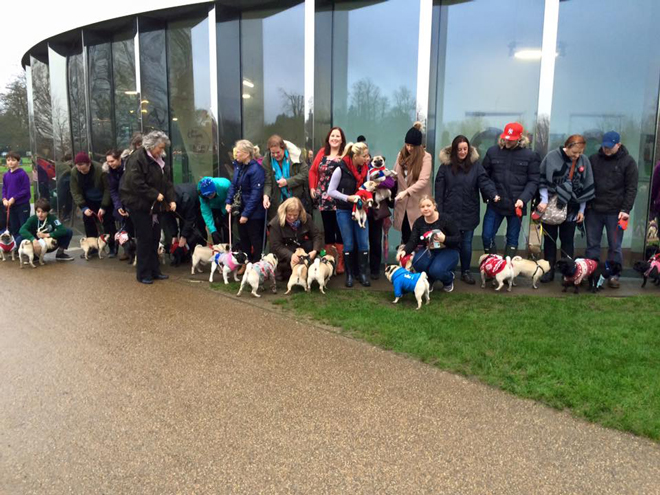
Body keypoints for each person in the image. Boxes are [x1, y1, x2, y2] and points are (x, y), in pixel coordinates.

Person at [435, 135, 499, 285]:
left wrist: (493, 194)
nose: (463, 152)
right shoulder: (445, 166)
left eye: (465, 149)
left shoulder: (476, 165)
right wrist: (439, 213)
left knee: (466, 243)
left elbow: (484, 181)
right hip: (449, 212)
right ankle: (448, 271)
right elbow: (439, 191)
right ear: (454, 150)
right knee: (450, 243)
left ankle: (466, 271)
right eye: (459, 149)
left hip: (469, 210)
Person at [119, 130, 176, 284]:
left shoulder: (160, 160)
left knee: (155, 238)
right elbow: (135, 183)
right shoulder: (136, 158)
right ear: (151, 146)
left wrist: (171, 199)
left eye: (163, 148)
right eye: (160, 148)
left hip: (155, 206)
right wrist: (154, 194)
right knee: (144, 239)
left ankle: (155, 270)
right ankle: (143, 273)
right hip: (139, 205)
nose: (162, 151)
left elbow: (167, 182)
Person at [537, 135, 595, 282]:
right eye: (574, 152)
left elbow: (585, 187)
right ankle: (549, 271)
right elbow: (543, 180)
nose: (577, 156)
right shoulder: (552, 157)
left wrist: (582, 210)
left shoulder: (584, 161)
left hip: (572, 209)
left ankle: (568, 272)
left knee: (567, 240)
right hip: (551, 207)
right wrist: (543, 201)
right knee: (550, 240)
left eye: (580, 152)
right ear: (567, 146)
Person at [585, 131, 638, 288]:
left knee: (615, 246)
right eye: (604, 146)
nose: (606, 150)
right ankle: (591, 273)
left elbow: (631, 188)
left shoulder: (628, 162)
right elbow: (587, 183)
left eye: (610, 147)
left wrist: (626, 209)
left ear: (618, 145)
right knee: (592, 244)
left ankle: (614, 275)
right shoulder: (593, 159)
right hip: (594, 209)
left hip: (616, 211)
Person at [481, 122, 540, 258]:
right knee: (486, 236)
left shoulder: (530, 156)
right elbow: (484, 176)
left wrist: (523, 199)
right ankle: (493, 266)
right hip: (496, 203)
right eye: (506, 138)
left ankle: (508, 272)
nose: (507, 141)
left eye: (511, 139)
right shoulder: (492, 151)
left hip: (516, 205)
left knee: (512, 239)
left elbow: (533, 181)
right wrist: (492, 194)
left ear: (519, 138)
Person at [327, 141, 370, 287]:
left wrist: (367, 198)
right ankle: (350, 275)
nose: (366, 159)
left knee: (363, 241)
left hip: (361, 210)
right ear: (355, 156)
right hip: (344, 210)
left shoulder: (366, 170)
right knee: (349, 242)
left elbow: (368, 188)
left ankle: (363, 274)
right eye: (364, 156)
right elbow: (330, 191)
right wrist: (348, 198)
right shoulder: (340, 169)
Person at [400, 195, 461, 292]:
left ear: (434, 206)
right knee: (417, 263)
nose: (426, 209)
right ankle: (430, 280)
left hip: (449, 250)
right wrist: (405, 251)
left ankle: (449, 279)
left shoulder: (445, 219)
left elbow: (458, 239)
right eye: (422, 207)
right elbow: (413, 240)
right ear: (420, 209)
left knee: (436, 270)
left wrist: (444, 239)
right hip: (429, 250)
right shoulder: (419, 222)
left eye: (428, 205)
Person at [309, 127, 346, 273]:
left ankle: (340, 262)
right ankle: (330, 260)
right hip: (324, 198)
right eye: (332, 136)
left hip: (339, 197)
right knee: (329, 230)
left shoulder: (345, 154)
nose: (335, 138)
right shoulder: (322, 152)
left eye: (338, 136)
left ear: (342, 139)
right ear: (328, 138)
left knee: (340, 229)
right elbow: (312, 171)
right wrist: (313, 188)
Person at [225, 139, 266, 262]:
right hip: (240, 208)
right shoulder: (238, 167)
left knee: (255, 238)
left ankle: (257, 263)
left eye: (238, 152)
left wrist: (246, 214)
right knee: (243, 237)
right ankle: (245, 262)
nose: (236, 154)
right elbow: (234, 185)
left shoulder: (256, 170)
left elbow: (256, 194)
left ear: (247, 154)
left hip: (254, 212)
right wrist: (228, 201)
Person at [70, 151, 117, 257]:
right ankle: (93, 247)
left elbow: (108, 189)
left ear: (89, 164)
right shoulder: (74, 172)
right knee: (89, 224)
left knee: (108, 223)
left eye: (84, 168)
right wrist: (83, 207)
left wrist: (104, 206)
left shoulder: (100, 170)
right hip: (88, 201)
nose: (82, 171)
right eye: (79, 168)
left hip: (103, 199)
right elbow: (75, 191)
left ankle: (112, 247)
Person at [393, 122, 433, 245]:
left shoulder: (426, 157)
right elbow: (395, 174)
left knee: (420, 240)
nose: (409, 148)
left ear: (418, 146)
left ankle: (418, 263)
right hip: (403, 205)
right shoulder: (401, 155)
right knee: (405, 239)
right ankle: (405, 263)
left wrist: (406, 192)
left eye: (412, 146)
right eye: (407, 144)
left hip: (418, 205)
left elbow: (423, 180)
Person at [269, 197, 323, 278]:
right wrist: (291, 255)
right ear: (284, 212)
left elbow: (316, 235)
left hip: (299, 248)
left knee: (310, 245)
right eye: (289, 215)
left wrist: (315, 251)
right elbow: (276, 246)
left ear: (300, 212)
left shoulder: (306, 218)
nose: (292, 218)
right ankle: (283, 270)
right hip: (284, 252)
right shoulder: (275, 223)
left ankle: (308, 268)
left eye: (295, 215)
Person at [262, 135, 310, 220]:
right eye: (273, 153)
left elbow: (305, 174)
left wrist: (287, 182)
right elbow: (267, 181)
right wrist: (266, 196)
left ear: (283, 148)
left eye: (278, 152)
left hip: (296, 198)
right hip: (277, 200)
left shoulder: (295, 155)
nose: (276, 155)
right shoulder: (267, 160)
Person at [104, 149, 133, 260]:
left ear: (119, 158)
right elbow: (113, 190)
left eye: (112, 161)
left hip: (132, 201)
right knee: (124, 228)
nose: (110, 164)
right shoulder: (110, 173)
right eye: (108, 162)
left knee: (134, 228)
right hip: (121, 203)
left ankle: (137, 251)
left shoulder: (128, 168)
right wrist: (119, 206)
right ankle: (127, 251)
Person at [162, 182, 206, 252]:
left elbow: (190, 219)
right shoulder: (165, 202)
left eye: (168, 208)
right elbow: (170, 219)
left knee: (198, 228)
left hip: (196, 204)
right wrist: (174, 235)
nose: (167, 210)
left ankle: (202, 249)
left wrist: (183, 236)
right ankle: (186, 253)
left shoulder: (185, 199)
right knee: (184, 230)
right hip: (182, 207)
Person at [2, 151, 31, 239]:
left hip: (22, 206)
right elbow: (4, 189)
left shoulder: (22, 174)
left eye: (13, 160)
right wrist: (4, 199)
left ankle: (25, 248)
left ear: (18, 161)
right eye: (8, 160)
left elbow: (25, 190)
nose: (10, 162)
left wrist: (14, 198)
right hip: (11, 206)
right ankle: (16, 249)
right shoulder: (6, 175)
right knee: (14, 228)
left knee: (23, 228)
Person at [198, 176, 231, 244]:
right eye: (207, 195)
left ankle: (229, 248)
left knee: (227, 229)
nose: (209, 197)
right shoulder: (201, 193)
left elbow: (230, 199)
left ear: (215, 190)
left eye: (211, 194)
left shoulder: (225, 185)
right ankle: (218, 248)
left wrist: (223, 213)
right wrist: (212, 231)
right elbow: (206, 212)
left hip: (226, 205)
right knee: (215, 228)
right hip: (213, 207)